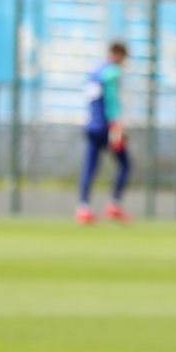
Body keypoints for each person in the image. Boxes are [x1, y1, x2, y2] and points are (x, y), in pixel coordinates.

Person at [76, 41, 133, 225]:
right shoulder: (112, 73)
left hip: (92, 126)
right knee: (125, 164)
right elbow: (111, 100)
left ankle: (83, 207)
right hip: (107, 127)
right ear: (118, 54)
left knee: (90, 167)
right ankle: (114, 204)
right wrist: (117, 124)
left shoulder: (95, 71)